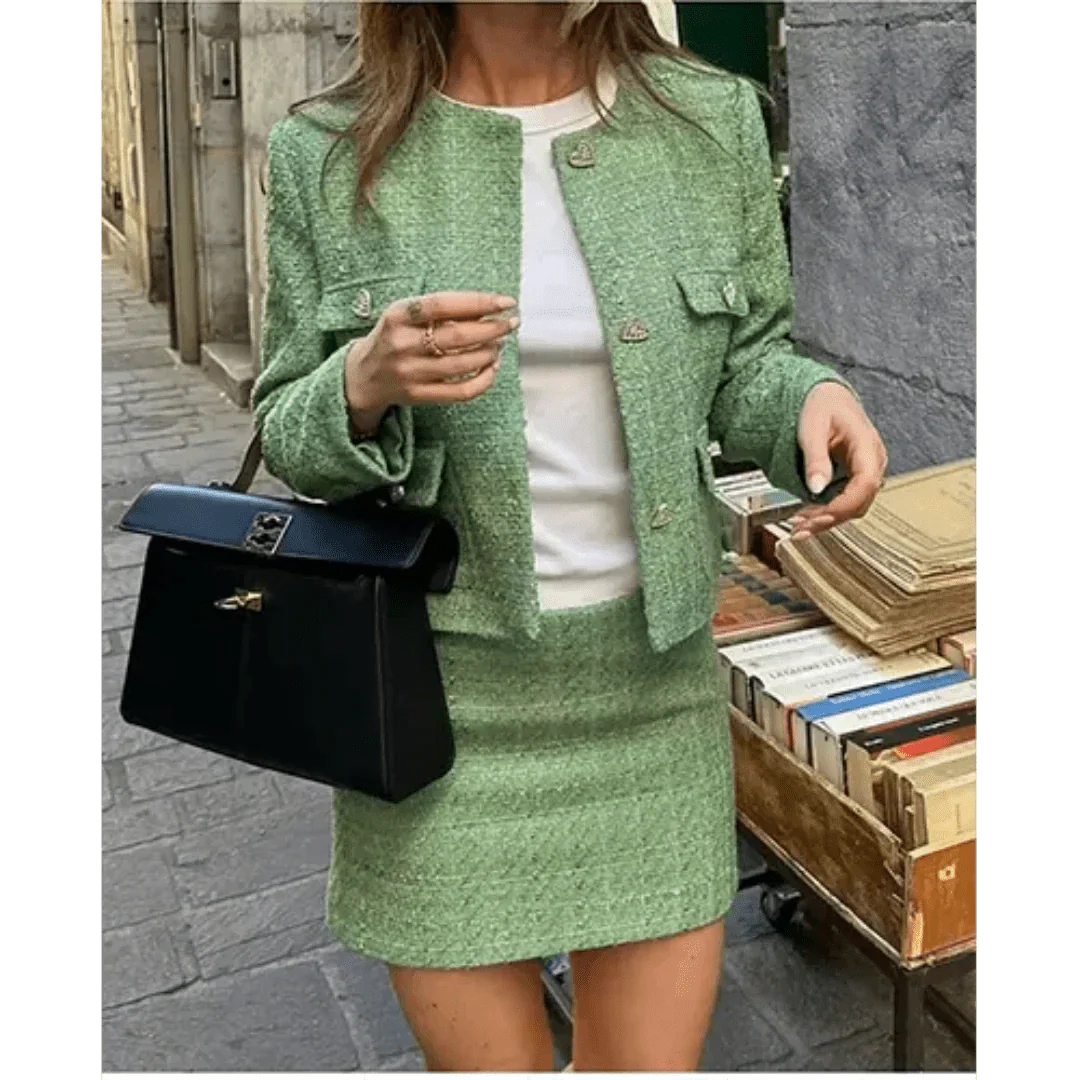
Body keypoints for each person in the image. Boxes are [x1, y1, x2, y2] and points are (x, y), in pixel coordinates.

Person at [251, 1, 888, 1071]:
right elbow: (287, 429)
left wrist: (809, 401)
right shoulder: (328, 151)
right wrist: (361, 382)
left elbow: (750, 365)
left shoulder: (710, 119)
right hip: (433, 713)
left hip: (652, 697)